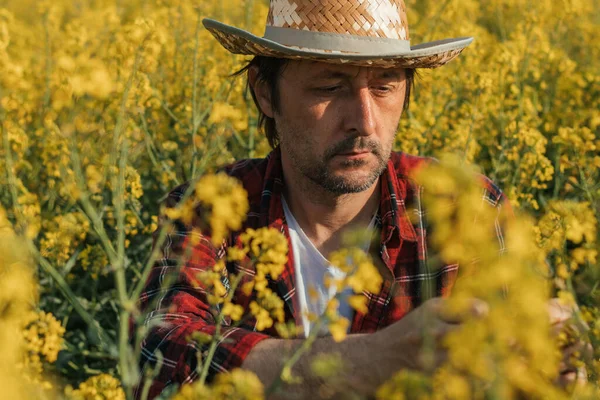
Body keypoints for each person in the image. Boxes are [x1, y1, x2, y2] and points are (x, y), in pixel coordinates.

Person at [135, 1, 587, 398]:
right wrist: (371, 362)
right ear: (264, 92)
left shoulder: (466, 206)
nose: (364, 121)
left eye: (385, 85)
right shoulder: (211, 209)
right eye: (330, 88)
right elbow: (157, 353)